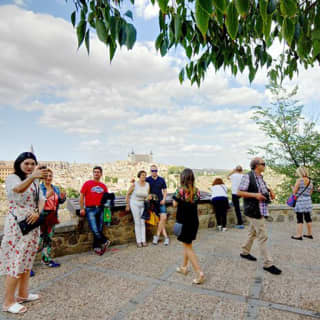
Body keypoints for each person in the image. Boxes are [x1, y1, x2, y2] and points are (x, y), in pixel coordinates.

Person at [0, 152, 48, 314]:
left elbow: (42, 199)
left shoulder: (34, 182)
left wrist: (37, 212)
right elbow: (18, 190)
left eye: (32, 164)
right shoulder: (13, 178)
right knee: (16, 261)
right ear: (19, 163)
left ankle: (22, 294)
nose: (29, 166)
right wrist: (33, 177)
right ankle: (8, 302)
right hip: (17, 226)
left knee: (27, 260)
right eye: (26, 163)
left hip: (32, 224)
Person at [238, 157, 282, 275]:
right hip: (254, 211)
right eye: (263, 163)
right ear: (257, 165)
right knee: (263, 236)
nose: (265, 165)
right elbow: (239, 192)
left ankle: (245, 252)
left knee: (252, 233)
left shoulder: (260, 178)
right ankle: (268, 264)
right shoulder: (248, 176)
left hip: (260, 210)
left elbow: (263, 191)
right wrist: (255, 195)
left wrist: (270, 191)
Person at [173, 168, 205, 284]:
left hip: (183, 222)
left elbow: (175, 204)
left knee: (188, 247)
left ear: (182, 178)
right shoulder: (197, 191)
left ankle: (199, 272)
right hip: (194, 221)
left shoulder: (180, 190)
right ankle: (184, 267)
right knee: (187, 244)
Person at [80, 166, 111, 255]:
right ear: (93, 173)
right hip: (90, 209)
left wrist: (107, 212)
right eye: (95, 172)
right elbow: (82, 196)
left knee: (99, 228)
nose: (96, 173)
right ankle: (105, 241)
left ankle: (97, 247)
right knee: (94, 228)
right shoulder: (87, 183)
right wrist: (82, 208)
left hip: (101, 209)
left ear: (101, 174)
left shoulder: (103, 186)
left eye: (98, 172)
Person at [39, 168, 66, 267]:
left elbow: (59, 201)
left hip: (52, 216)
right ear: (42, 177)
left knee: (48, 239)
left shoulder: (55, 189)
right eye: (46, 176)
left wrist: (62, 198)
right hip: (42, 216)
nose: (48, 178)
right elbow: (36, 202)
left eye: (50, 176)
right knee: (38, 240)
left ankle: (46, 259)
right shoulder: (39, 188)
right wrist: (46, 195)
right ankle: (26, 265)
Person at [146, 165, 169, 246]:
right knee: (160, 221)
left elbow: (165, 191)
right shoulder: (147, 179)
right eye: (152, 170)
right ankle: (166, 238)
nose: (154, 172)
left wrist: (164, 199)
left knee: (163, 218)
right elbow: (142, 187)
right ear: (150, 171)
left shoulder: (161, 179)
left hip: (161, 201)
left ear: (157, 171)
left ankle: (157, 236)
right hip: (153, 204)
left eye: (155, 170)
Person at [126, 170, 150, 247]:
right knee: (137, 222)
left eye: (145, 175)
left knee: (143, 222)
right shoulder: (135, 184)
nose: (144, 176)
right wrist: (127, 205)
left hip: (143, 204)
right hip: (134, 203)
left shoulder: (147, 185)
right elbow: (127, 194)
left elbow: (147, 195)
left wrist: (149, 197)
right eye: (142, 175)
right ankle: (138, 241)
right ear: (139, 176)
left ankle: (144, 240)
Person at [291, 166, 313, 240]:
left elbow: (294, 192)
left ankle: (299, 235)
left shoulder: (299, 180)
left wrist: (293, 188)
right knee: (308, 217)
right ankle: (309, 234)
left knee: (299, 218)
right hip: (308, 201)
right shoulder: (310, 181)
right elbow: (310, 193)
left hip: (300, 201)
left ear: (300, 172)